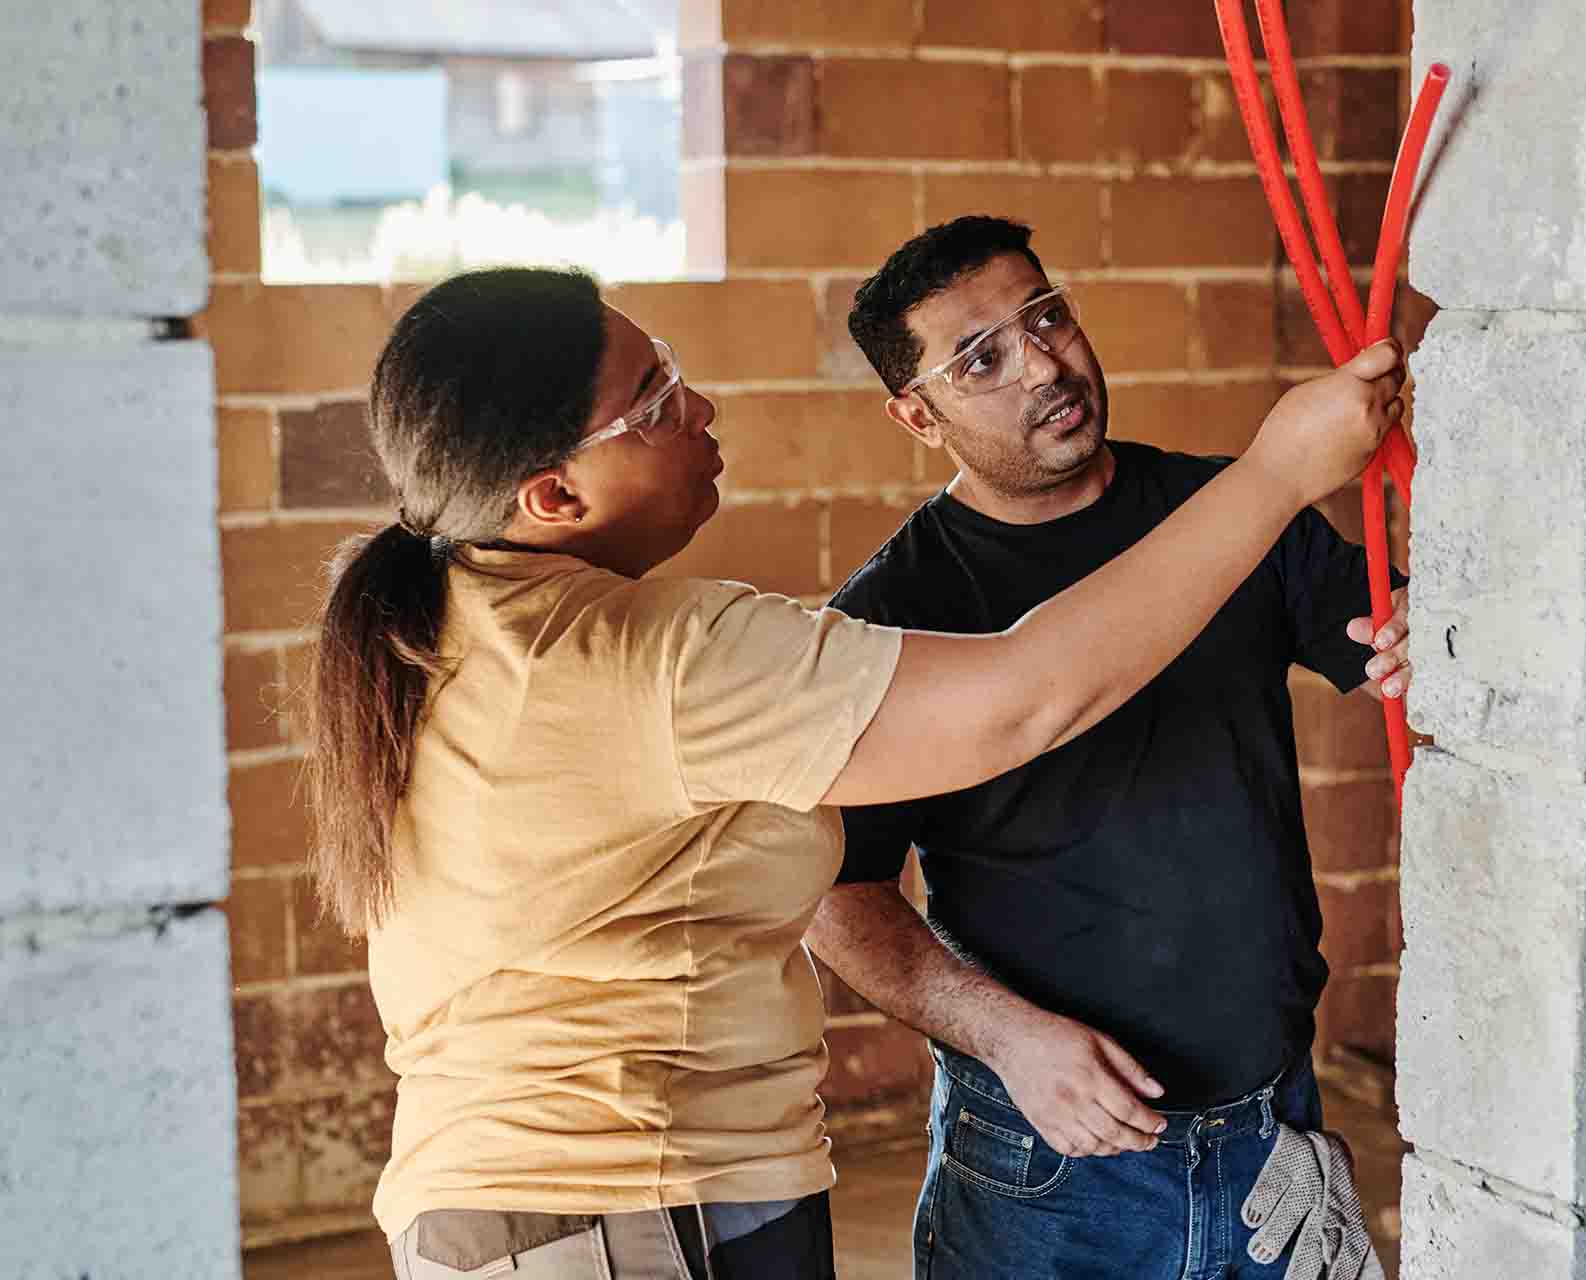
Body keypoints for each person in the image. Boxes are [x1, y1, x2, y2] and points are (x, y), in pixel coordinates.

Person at [299, 265, 1404, 1280]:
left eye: (1046, 317)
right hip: (622, 1208)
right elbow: (1027, 695)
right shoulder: (654, 655)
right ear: (552, 497)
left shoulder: (456, 620)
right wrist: (1279, 470)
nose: (703, 407)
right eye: (657, 399)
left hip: (592, 1198)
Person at [805, 216, 1414, 1278]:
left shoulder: (1224, 512)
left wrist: (1429, 631)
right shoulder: (893, 613)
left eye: (1047, 315)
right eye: (981, 357)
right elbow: (834, 895)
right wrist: (1003, 1035)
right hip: (1045, 1161)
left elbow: (1406, 654)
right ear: (916, 412)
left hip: (1273, 1124)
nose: (1044, 362)